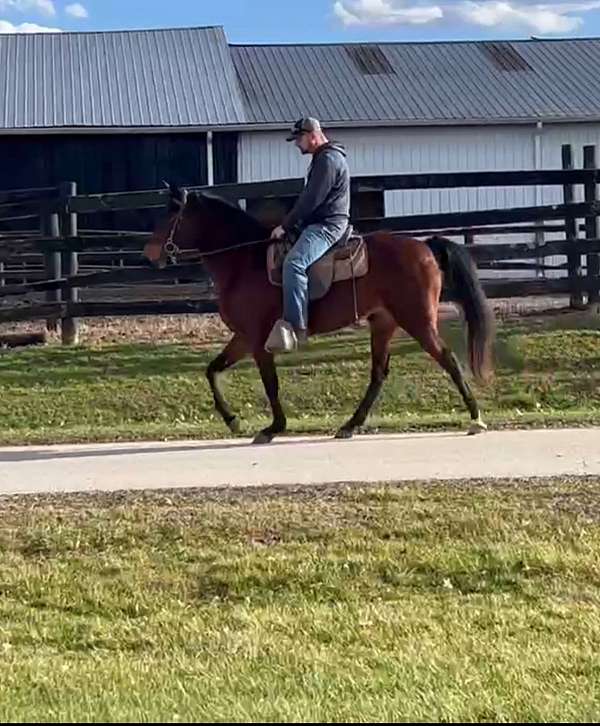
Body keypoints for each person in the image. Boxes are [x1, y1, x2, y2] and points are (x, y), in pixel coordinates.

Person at [265, 117, 351, 353]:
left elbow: (312, 200)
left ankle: (296, 327)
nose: (296, 144)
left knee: (294, 263)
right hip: (319, 222)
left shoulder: (328, 160)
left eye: (298, 139)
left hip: (327, 225)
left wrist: (286, 225)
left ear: (312, 135)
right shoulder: (323, 158)